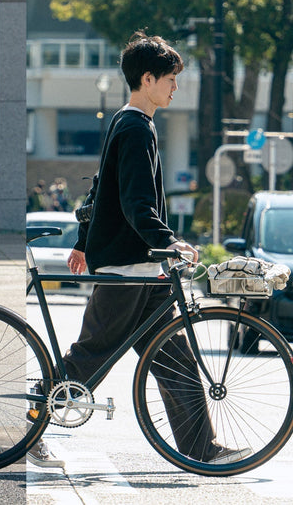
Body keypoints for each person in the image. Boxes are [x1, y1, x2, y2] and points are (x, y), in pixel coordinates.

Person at [27, 32, 249, 468]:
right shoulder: (133, 127)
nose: (175, 87)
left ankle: (203, 450)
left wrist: (84, 242)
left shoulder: (128, 122)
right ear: (147, 79)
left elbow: (98, 187)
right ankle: (28, 427)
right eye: (170, 78)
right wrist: (170, 241)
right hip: (129, 269)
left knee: (176, 359)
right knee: (90, 357)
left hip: (144, 271)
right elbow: (135, 204)